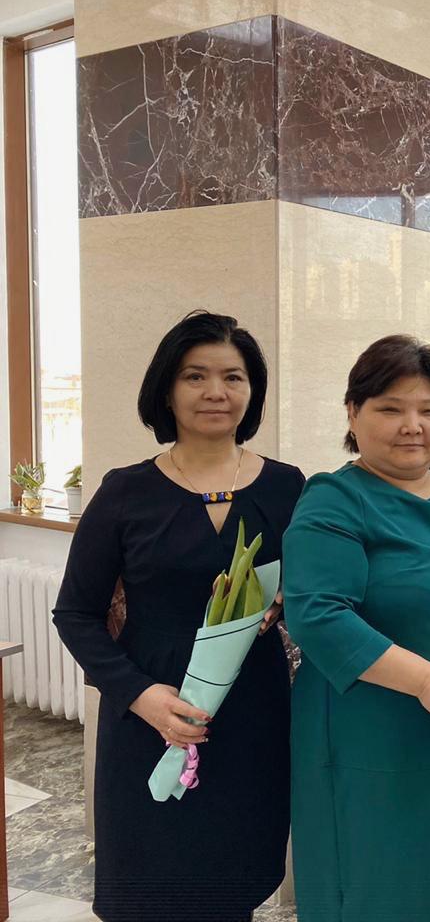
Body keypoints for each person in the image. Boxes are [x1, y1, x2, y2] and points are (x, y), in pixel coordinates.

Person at [53, 311, 300, 922]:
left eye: (233, 377)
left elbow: (314, 589)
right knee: (148, 888)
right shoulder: (124, 492)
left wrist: (287, 599)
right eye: (195, 376)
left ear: (252, 390)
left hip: (251, 716)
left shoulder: (288, 487)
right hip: (149, 714)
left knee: (234, 882)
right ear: (166, 390)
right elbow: (76, 613)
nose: (216, 392)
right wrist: (140, 696)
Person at [284, 335, 430, 921]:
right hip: (369, 731)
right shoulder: (334, 499)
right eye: (390, 408)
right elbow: (317, 614)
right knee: (375, 884)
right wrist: (427, 680)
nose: (413, 426)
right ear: (353, 413)